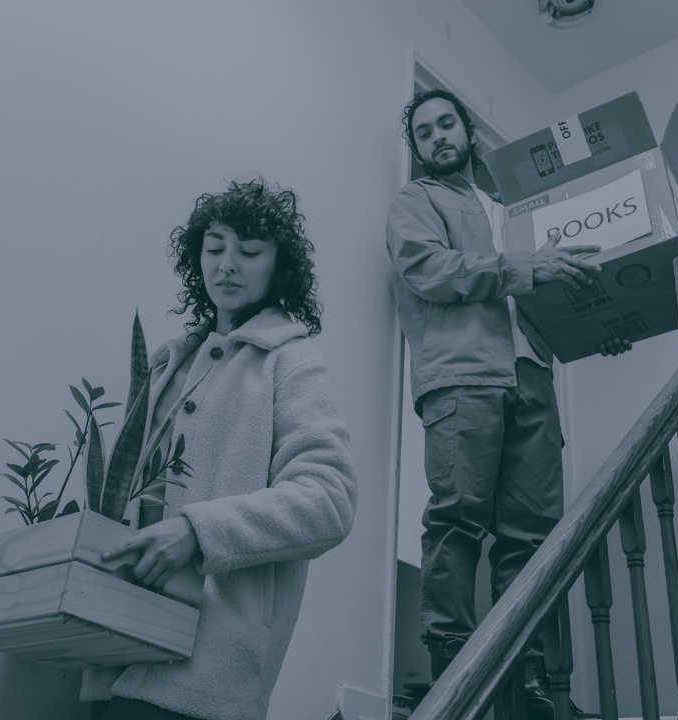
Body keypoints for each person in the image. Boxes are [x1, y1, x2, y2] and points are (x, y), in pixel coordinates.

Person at [386, 89, 630, 717]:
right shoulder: (417, 201)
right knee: (458, 518)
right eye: (423, 132)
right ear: (416, 148)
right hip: (464, 378)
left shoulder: (512, 211)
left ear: (468, 132)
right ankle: (451, 667)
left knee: (534, 534)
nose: (438, 136)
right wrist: (521, 267)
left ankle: (528, 676)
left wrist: (602, 322)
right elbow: (430, 271)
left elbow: (550, 289)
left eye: (447, 124)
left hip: (533, 377)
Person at [81, 178, 358, 720]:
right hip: (115, 654)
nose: (227, 264)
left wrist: (196, 529)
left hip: (203, 678)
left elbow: (330, 500)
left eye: (249, 251)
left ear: (279, 266)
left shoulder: (292, 360)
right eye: (214, 248)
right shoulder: (165, 364)